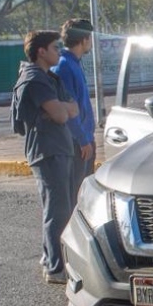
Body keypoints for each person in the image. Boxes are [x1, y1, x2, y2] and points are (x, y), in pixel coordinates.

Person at [13, 30, 80, 284]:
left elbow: (73, 106)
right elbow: (64, 114)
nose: (59, 51)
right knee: (58, 209)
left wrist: (61, 108)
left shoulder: (48, 77)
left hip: (57, 148)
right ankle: (56, 267)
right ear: (41, 51)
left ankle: (48, 258)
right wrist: (61, 109)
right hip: (48, 151)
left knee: (56, 207)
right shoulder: (34, 79)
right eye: (54, 47)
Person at [53, 18, 95, 184]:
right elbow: (69, 110)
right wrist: (83, 140)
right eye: (90, 38)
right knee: (77, 195)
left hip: (84, 140)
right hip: (76, 144)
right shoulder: (64, 66)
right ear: (83, 40)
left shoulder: (74, 63)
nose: (91, 42)